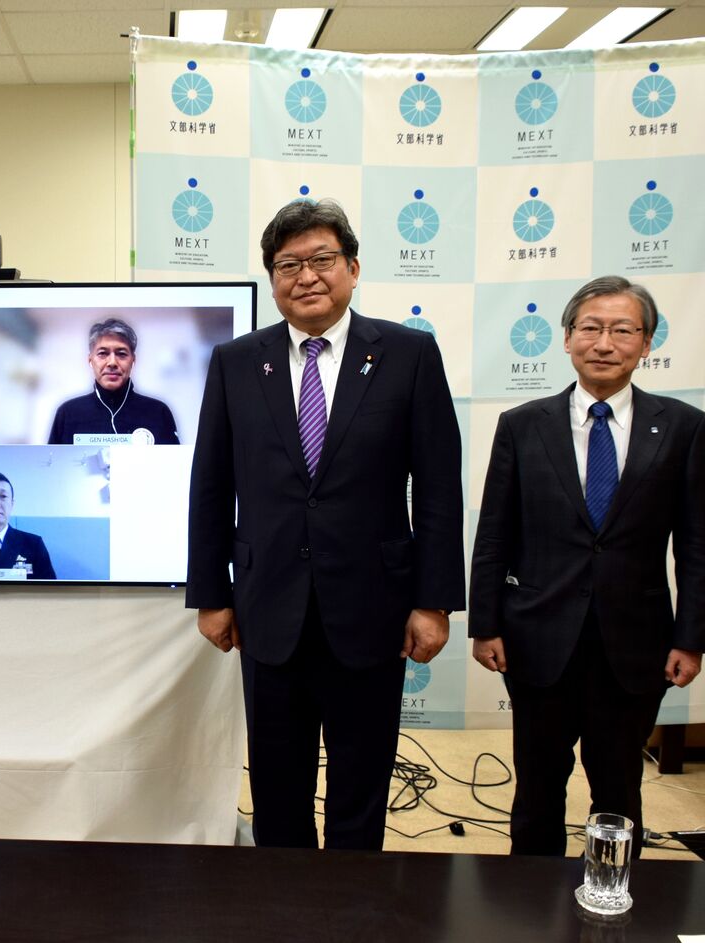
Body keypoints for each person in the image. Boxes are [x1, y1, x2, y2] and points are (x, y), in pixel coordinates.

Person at [186, 198, 465, 850]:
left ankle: (354, 904)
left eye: (322, 260)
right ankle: (286, 905)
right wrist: (211, 594)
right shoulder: (236, 362)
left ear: (353, 269)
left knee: (360, 785)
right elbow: (210, 485)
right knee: (276, 784)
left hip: (372, 606)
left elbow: (438, 489)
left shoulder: (408, 355)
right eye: (289, 265)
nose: (306, 276)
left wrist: (433, 602)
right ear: (272, 279)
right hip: (267, 605)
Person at [469, 276, 703, 857]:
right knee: (538, 785)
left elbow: (696, 543)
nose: (604, 343)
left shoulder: (683, 427)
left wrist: (691, 638)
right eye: (591, 328)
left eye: (622, 330)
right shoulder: (523, 424)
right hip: (537, 638)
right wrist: (485, 624)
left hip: (635, 643)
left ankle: (611, 894)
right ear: (567, 338)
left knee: (619, 785)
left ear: (646, 343)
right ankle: (530, 898)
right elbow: (495, 532)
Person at [47, 318, 179, 444]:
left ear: (133, 360)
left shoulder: (158, 412)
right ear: (90, 360)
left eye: (121, 354)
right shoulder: (67, 414)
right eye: (103, 353)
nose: (112, 362)